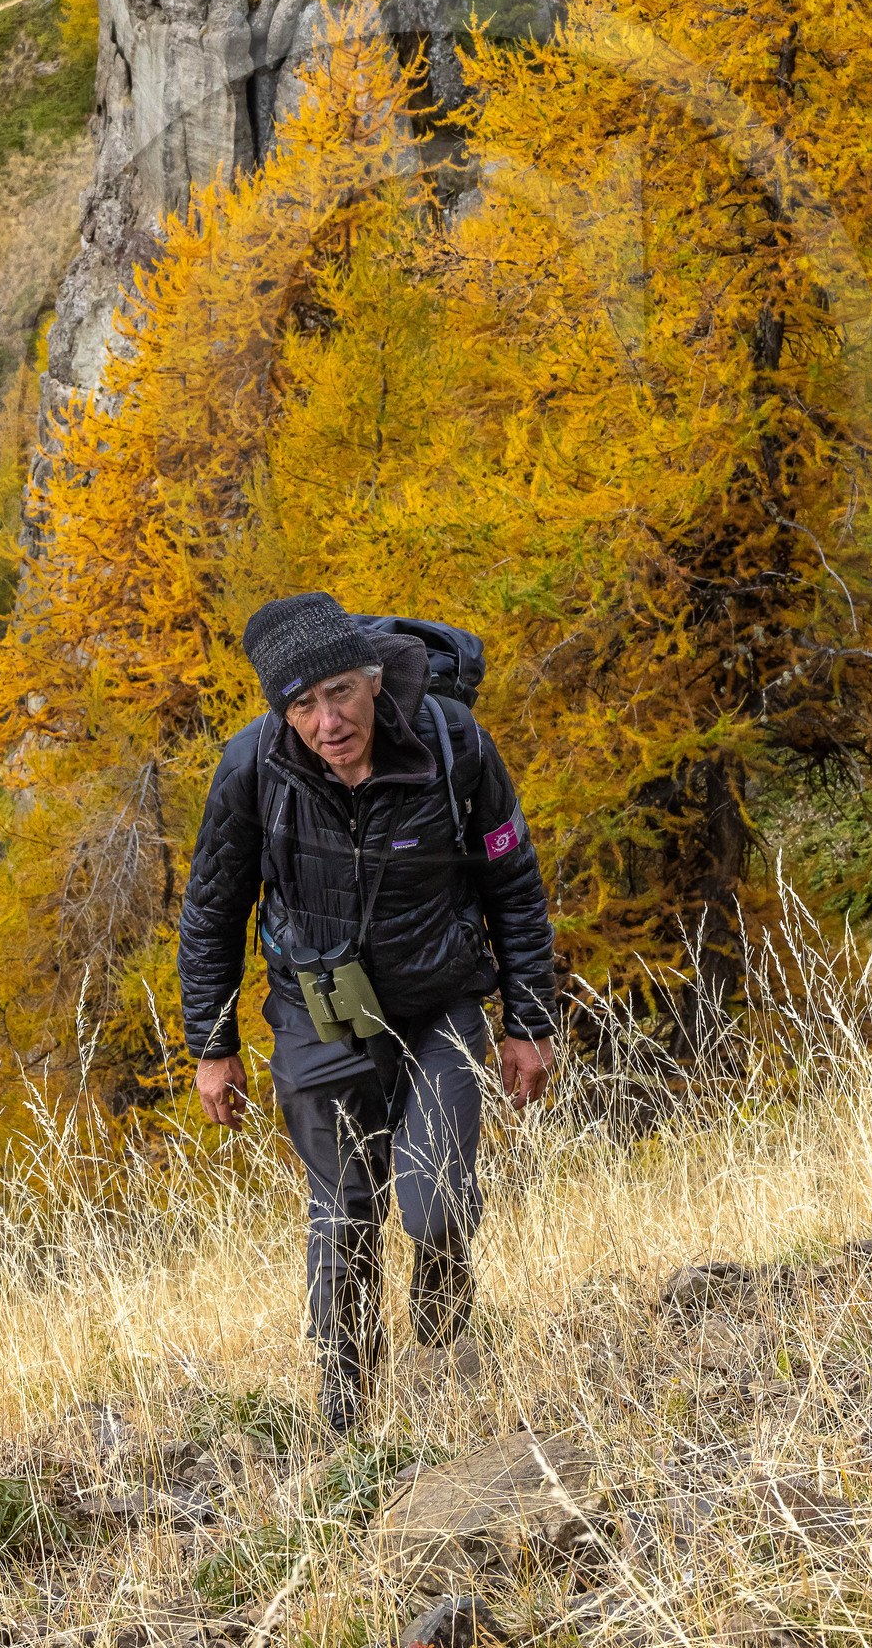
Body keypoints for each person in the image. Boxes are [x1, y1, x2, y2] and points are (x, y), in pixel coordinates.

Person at [180, 589, 557, 1434]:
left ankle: (444, 1282)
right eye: (303, 705)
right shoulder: (252, 770)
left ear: (372, 679)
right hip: (319, 1015)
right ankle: (348, 1417)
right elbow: (213, 907)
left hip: (438, 1004)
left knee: (433, 1203)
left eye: (340, 693)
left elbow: (514, 884)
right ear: (284, 711)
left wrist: (529, 1021)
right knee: (343, 1213)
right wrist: (212, 1043)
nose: (328, 721)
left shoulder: (454, 743)